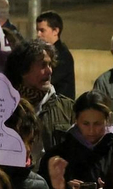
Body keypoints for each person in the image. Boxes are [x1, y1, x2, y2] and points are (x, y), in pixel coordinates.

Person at [6, 40, 73, 168]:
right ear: (23, 70)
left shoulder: (67, 108)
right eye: (43, 65)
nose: (49, 71)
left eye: (50, 65)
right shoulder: (5, 106)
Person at [35, 11, 75, 99]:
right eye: (37, 30)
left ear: (55, 31)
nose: (38, 35)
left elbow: (45, 82)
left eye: (42, 30)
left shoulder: (62, 56)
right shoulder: (48, 52)